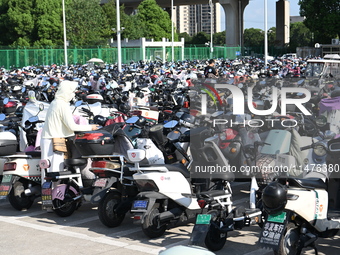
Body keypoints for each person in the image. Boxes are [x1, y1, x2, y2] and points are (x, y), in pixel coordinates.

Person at [40, 80, 99, 180]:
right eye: (72, 92)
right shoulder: (62, 105)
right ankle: (56, 194)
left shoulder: (55, 102)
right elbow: (72, 127)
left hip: (47, 139)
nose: (72, 95)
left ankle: (47, 193)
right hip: (55, 141)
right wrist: (91, 127)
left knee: (46, 171)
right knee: (56, 173)